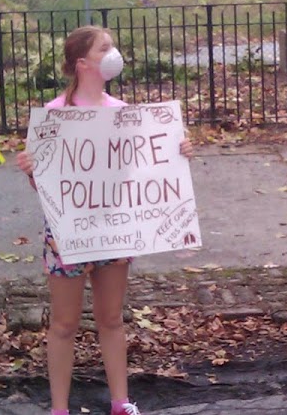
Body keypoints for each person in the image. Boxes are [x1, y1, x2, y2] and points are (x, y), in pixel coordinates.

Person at [16, 25, 193, 415]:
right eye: (105, 47)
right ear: (82, 62)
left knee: (111, 318)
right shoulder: (54, 115)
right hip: (67, 233)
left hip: (114, 228)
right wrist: (32, 170)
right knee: (64, 323)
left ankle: (120, 401)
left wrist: (176, 150)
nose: (114, 53)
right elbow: (47, 185)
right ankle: (59, 408)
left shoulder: (123, 112)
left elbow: (140, 169)